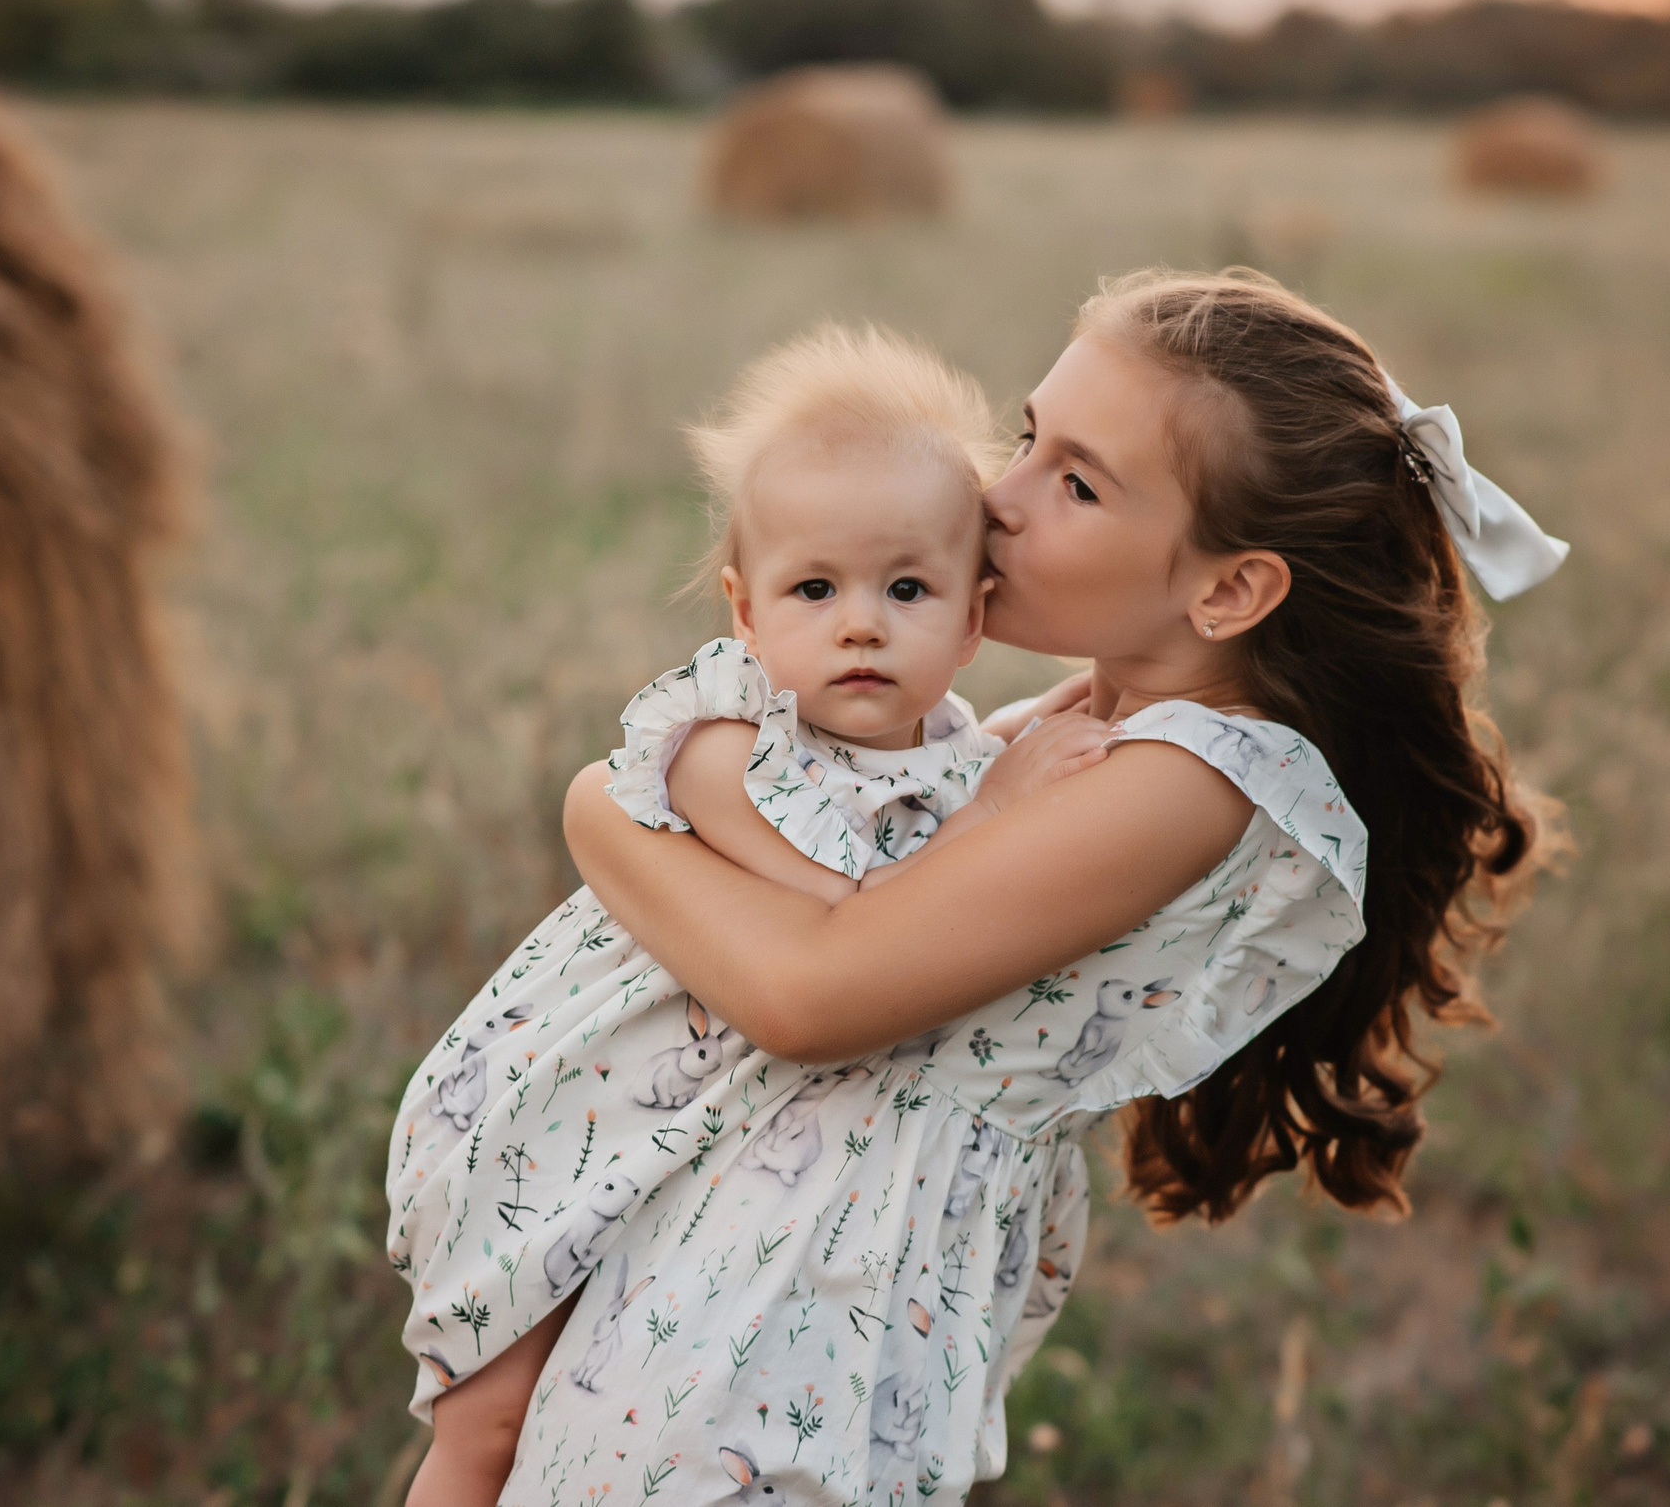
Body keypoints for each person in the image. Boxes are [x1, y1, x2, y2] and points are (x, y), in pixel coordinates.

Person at [550, 268, 1568, 1503]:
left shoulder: (1187, 779)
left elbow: (808, 990)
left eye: (1074, 481)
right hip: (767, 1231)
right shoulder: (1096, 710)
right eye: (1027, 438)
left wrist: (603, 808)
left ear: (1230, 588)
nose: (998, 495)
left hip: (811, 1287)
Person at [385, 325, 1111, 1506]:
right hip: (579, 1114)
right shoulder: (723, 737)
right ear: (745, 607)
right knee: (489, 1412)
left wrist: (1030, 743)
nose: (860, 622)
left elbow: (960, 801)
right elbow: (841, 903)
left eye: (907, 588)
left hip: (716, 1152)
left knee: (602, 1393)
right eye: (814, 588)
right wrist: (962, 829)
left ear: (972, 622)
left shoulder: (946, 755)